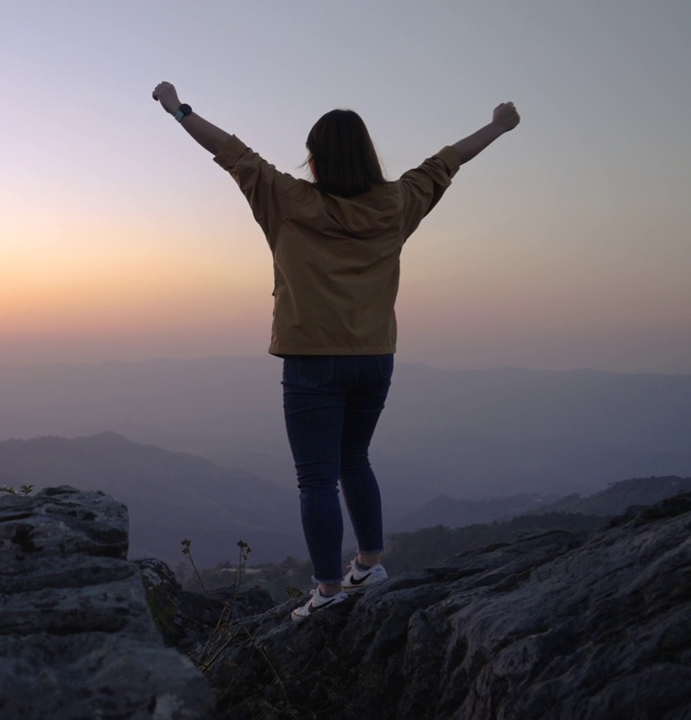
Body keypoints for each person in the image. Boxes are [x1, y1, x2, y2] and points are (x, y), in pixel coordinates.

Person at [152, 81, 520, 621]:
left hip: (311, 361)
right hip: (375, 357)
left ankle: (327, 591)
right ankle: (370, 562)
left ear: (315, 159)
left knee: (317, 478)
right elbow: (446, 162)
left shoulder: (288, 200)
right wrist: (498, 125)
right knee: (355, 459)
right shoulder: (395, 203)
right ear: (368, 155)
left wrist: (177, 109)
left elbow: (231, 153)